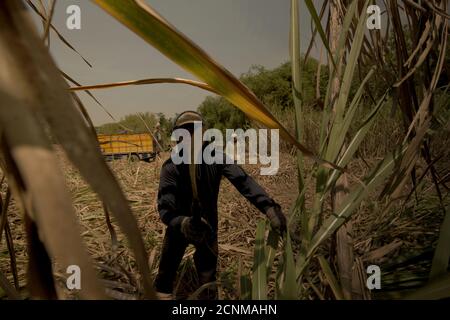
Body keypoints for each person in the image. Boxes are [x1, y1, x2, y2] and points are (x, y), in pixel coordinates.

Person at [154, 111, 286, 300]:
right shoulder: (170, 166)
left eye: (195, 130)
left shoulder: (217, 158)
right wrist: (183, 223)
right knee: (165, 275)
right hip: (178, 228)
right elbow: (165, 208)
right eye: (185, 131)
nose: (190, 135)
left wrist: (270, 208)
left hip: (208, 228)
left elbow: (244, 182)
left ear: (204, 132)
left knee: (207, 281)